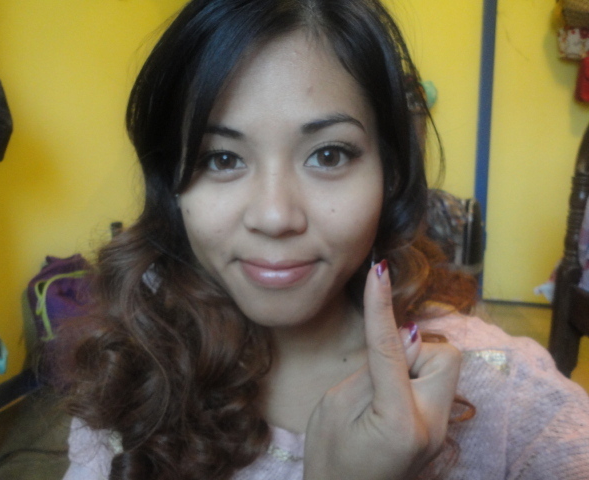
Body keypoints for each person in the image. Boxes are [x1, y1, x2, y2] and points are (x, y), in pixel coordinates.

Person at [62, 0, 589, 478]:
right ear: (172, 187)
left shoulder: (503, 389)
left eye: (328, 155)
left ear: (390, 172)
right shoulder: (131, 381)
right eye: (221, 159)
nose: (274, 216)